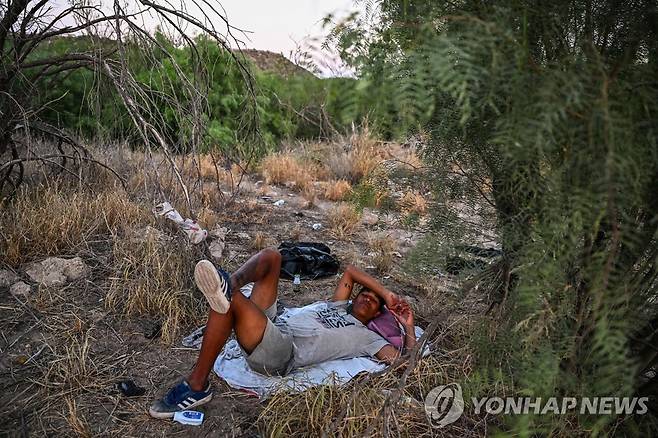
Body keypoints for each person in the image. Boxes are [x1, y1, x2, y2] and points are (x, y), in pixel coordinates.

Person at [149, 248, 416, 418]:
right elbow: (351, 272)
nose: (367, 299)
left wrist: (407, 326)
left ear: (377, 315)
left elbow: (405, 364)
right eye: (365, 294)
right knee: (271, 257)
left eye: (373, 302)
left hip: (281, 354)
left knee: (230, 302)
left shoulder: (369, 338)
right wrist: (386, 293)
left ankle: (196, 386)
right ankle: (227, 283)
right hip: (273, 325)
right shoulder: (336, 306)